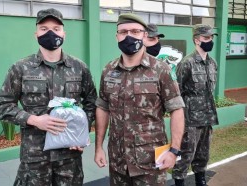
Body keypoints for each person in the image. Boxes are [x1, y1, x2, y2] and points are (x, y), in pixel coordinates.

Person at [0, 8, 97, 186]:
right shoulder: (20, 68)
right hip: (35, 158)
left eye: (56, 28)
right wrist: (34, 119)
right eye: (44, 28)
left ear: (64, 33)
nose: (50, 32)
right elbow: (3, 106)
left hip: (69, 158)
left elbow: (92, 102)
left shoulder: (79, 67)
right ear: (36, 34)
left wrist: (81, 133)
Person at [94, 13, 185, 186]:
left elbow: (177, 109)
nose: (128, 36)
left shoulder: (161, 69)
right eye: (123, 32)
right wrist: (98, 147)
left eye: (135, 31)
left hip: (149, 162)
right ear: (117, 36)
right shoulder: (108, 70)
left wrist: (174, 150)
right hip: (118, 161)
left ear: (144, 35)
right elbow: (103, 108)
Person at [172, 24, 219, 186]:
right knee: (186, 153)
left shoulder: (212, 63)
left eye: (211, 38)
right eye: (206, 38)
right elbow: (177, 91)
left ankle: (201, 180)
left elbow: (210, 91)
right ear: (196, 40)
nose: (210, 41)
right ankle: (179, 182)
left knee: (203, 153)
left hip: (207, 116)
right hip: (190, 119)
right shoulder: (187, 63)